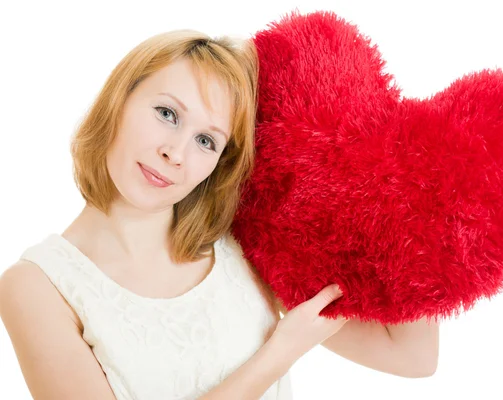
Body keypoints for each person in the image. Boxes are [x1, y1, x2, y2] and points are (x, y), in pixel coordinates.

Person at [0, 29, 349, 400]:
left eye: (206, 141)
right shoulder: (36, 287)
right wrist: (280, 354)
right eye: (167, 114)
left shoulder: (244, 246)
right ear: (119, 100)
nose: (176, 153)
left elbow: (409, 353)